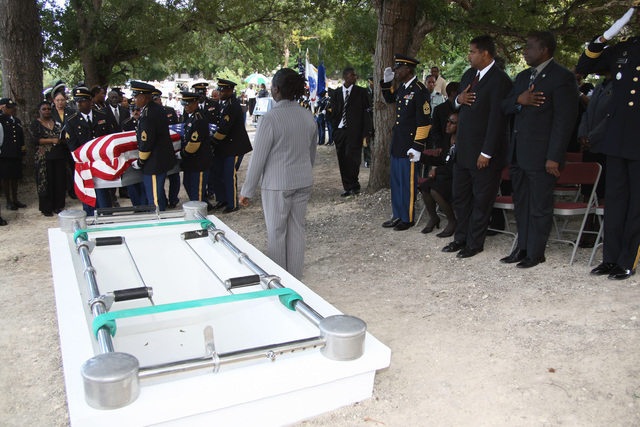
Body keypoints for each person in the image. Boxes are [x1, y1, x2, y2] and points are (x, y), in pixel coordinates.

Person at [501, 31, 578, 268]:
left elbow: (564, 121)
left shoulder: (562, 77)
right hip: (519, 154)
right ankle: (522, 248)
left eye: (529, 47)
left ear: (544, 50)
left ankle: (536, 252)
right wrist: (518, 101)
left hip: (543, 157)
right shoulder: (523, 77)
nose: (524, 51)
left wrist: (554, 157)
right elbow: (504, 106)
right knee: (521, 204)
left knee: (540, 206)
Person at [576, 4, 640, 280]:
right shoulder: (625, 47)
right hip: (617, 137)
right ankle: (610, 258)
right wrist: (605, 37)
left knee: (636, 204)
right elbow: (585, 65)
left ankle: (628, 259)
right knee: (614, 201)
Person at [239, 68, 318, 279]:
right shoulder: (307, 116)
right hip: (302, 180)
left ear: (275, 89)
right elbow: (311, 153)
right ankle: (295, 279)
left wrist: (247, 190)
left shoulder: (270, 119)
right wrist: (304, 172)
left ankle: (279, 281)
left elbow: (258, 159)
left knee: (276, 233)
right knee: (297, 229)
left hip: (277, 184)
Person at [441, 35, 513, 259]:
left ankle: (475, 243)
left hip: (484, 153)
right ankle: (460, 237)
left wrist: (487, 152)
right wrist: (458, 99)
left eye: (472, 52)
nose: (469, 56)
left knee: (481, 200)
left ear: (485, 53)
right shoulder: (469, 75)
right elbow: (456, 105)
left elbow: (497, 120)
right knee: (460, 197)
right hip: (464, 149)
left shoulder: (500, 80)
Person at [380, 54, 431, 231]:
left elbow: (425, 121)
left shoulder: (419, 90)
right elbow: (389, 99)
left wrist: (418, 146)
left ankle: (407, 218)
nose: (396, 71)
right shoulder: (403, 88)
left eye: (398, 68)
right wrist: (386, 83)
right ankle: (397, 215)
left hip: (410, 145)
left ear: (408, 69)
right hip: (399, 143)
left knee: (407, 183)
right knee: (396, 182)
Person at [65, 86, 119, 214]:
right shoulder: (72, 121)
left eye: (82, 101)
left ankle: (106, 214)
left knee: (103, 191)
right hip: (84, 163)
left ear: (90, 101)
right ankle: (91, 215)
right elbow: (72, 144)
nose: (79, 104)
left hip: (101, 162)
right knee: (88, 192)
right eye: (77, 101)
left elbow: (111, 137)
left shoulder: (102, 116)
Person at [129, 81, 177, 211]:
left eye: (136, 97)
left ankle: (158, 222)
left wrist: (140, 161)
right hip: (160, 159)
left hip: (154, 162)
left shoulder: (147, 114)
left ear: (143, 97)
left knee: (154, 199)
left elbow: (146, 142)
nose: (135, 100)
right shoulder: (156, 109)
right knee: (157, 194)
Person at [328, 67, 373, 196]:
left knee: (353, 159)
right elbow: (333, 112)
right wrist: (334, 130)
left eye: (355, 75)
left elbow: (366, 113)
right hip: (340, 132)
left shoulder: (361, 92)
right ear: (345, 77)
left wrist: (367, 132)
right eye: (352, 75)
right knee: (342, 159)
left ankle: (355, 185)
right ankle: (347, 186)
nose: (354, 77)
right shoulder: (336, 93)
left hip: (355, 132)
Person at [210, 79, 252, 213]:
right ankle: (223, 198)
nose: (219, 92)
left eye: (222, 90)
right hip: (225, 146)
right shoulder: (225, 104)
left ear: (230, 91)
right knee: (218, 173)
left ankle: (233, 203)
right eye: (219, 89)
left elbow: (223, 129)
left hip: (234, 146)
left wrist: (212, 143)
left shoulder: (231, 106)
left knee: (229, 174)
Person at [418, 111, 459, 237]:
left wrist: (437, 170)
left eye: (452, 122)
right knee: (425, 187)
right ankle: (433, 217)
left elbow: (456, 166)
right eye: (448, 121)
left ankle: (452, 221)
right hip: (445, 175)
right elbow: (441, 160)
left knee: (436, 190)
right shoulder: (447, 139)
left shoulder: (463, 141)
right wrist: (420, 157)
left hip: (457, 177)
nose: (448, 124)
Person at [30, 102, 68, 216]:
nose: (47, 111)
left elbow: (63, 137)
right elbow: (34, 140)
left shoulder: (56, 123)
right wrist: (51, 140)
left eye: (49, 109)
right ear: (39, 111)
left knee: (59, 180)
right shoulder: (35, 124)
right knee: (46, 181)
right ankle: (47, 207)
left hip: (58, 155)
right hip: (43, 158)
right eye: (44, 109)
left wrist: (60, 140)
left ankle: (58, 205)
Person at [178, 92, 214, 203]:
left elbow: (194, 144)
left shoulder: (198, 119)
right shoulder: (192, 117)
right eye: (184, 105)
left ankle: (199, 213)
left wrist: (181, 154)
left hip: (199, 162)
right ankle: (204, 205)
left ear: (195, 103)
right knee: (188, 184)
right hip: (191, 161)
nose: (185, 107)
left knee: (196, 191)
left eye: (187, 105)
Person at [153, 88, 180, 208]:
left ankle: (173, 199)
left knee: (174, 176)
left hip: (171, 149)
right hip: (159, 152)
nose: (155, 101)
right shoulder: (149, 113)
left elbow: (177, 127)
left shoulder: (169, 111)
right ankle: (163, 200)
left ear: (160, 99)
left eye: (156, 98)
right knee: (161, 180)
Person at [51, 82, 77, 200]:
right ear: (54, 101)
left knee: (72, 167)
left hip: (69, 144)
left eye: (62, 100)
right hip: (56, 145)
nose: (60, 102)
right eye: (57, 100)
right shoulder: (51, 113)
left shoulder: (71, 112)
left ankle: (73, 190)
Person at [0, 98, 26, 216]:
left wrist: (22, 150)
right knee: (6, 178)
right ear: (3, 108)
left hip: (16, 153)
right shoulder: (1, 119)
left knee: (15, 177)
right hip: (5, 154)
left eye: (12, 108)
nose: (11, 110)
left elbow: (20, 137)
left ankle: (15, 199)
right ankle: (8, 200)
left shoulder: (16, 120)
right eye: (9, 108)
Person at [430, 82, 460, 152]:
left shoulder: (462, 108)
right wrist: (439, 145)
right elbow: (435, 129)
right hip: (444, 146)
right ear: (454, 93)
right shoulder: (439, 109)